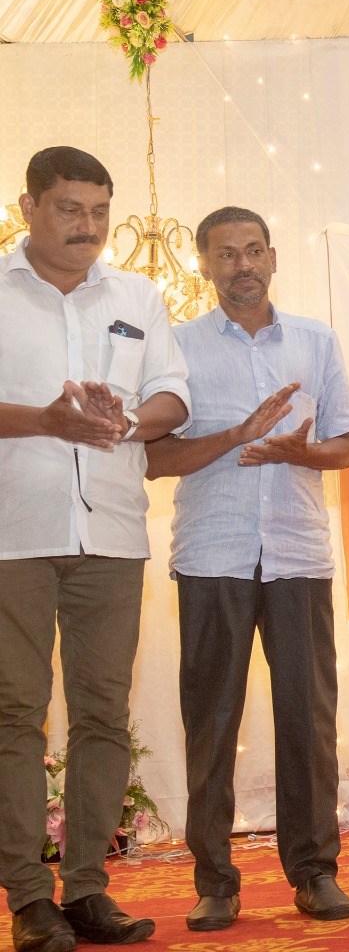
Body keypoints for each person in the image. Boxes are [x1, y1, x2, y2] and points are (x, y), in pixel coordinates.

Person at [145, 207, 349, 931]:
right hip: (212, 555)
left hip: (298, 555)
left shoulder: (315, 340)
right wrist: (238, 436)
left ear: (272, 256)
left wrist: (297, 451)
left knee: (309, 722)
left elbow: (344, 448)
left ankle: (315, 872)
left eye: (253, 251)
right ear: (203, 265)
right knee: (211, 723)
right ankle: (215, 882)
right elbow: (153, 459)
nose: (243, 265)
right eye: (225, 254)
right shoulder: (176, 348)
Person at [0, 147, 190, 952]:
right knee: (13, 712)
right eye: (71, 208)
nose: (88, 227)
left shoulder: (140, 294)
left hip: (111, 531)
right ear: (29, 206)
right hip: (15, 531)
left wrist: (129, 425)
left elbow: (175, 396)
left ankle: (86, 889)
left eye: (100, 210)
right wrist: (45, 421)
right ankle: (27, 898)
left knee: (103, 714)